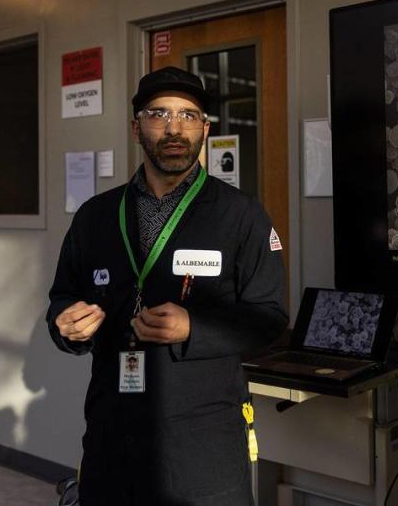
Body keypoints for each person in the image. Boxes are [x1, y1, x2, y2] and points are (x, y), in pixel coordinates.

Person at [46, 66, 287, 505]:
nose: (174, 128)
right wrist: (66, 326)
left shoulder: (241, 217)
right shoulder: (96, 216)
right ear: (136, 126)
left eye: (189, 115)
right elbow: (63, 296)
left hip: (202, 441)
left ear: (206, 129)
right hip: (111, 432)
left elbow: (268, 317)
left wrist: (193, 328)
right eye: (159, 113)